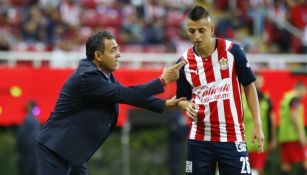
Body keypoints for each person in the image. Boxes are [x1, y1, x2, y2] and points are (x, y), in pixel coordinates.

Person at [36, 31, 193, 175]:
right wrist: (162, 80)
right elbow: (125, 95)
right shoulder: (88, 77)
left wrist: (164, 104)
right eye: (113, 50)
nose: (118, 55)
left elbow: (128, 95)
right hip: (56, 149)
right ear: (98, 55)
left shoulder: (102, 73)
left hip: (72, 151)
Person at [175, 5, 264, 175]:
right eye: (191, 31)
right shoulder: (183, 62)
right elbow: (182, 99)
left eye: (201, 30)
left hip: (232, 137)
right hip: (199, 139)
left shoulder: (233, 52)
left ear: (211, 29)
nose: (196, 36)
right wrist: (186, 105)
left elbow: (249, 86)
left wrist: (257, 125)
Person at [243, 72, 276, 175]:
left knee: (259, 170)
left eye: (259, 82)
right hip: (243, 143)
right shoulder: (241, 98)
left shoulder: (267, 100)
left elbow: (272, 120)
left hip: (260, 142)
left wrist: (273, 138)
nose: (257, 84)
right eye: (255, 82)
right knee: (243, 170)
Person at [278, 81, 307, 175]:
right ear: (301, 89)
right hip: (294, 136)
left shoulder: (286, 97)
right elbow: (294, 116)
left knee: (286, 165)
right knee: (305, 160)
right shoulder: (295, 99)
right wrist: (301, 134)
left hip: (284, 136)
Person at [16, 101, 41, 175]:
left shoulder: (26, 120)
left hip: (26, 154)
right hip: (32, 154)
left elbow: (20, 137)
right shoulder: (33, 121)